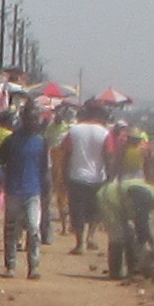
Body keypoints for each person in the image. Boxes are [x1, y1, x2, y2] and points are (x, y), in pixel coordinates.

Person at [0, 102, 51, 278]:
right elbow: (0, 162)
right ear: (24, 119)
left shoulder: (41, 143)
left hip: (33, 191)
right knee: (12, 229)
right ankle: (11, 266)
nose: (33, 122)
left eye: (36, 119)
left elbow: (44, 169)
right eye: (30, 118)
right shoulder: (11, 141)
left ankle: (33, 267)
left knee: (34, 229)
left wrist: (46, 191)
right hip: (13, 190)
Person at [59, 104, 112, 252]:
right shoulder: (105, 133)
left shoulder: (74, 130)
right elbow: (108, 157)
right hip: (97, 178)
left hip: (76, 176)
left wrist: (63, 175)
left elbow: (66, 154)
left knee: (77, 211)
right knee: (95, 210)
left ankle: (79, 243)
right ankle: (91, 237)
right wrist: (109, 178)